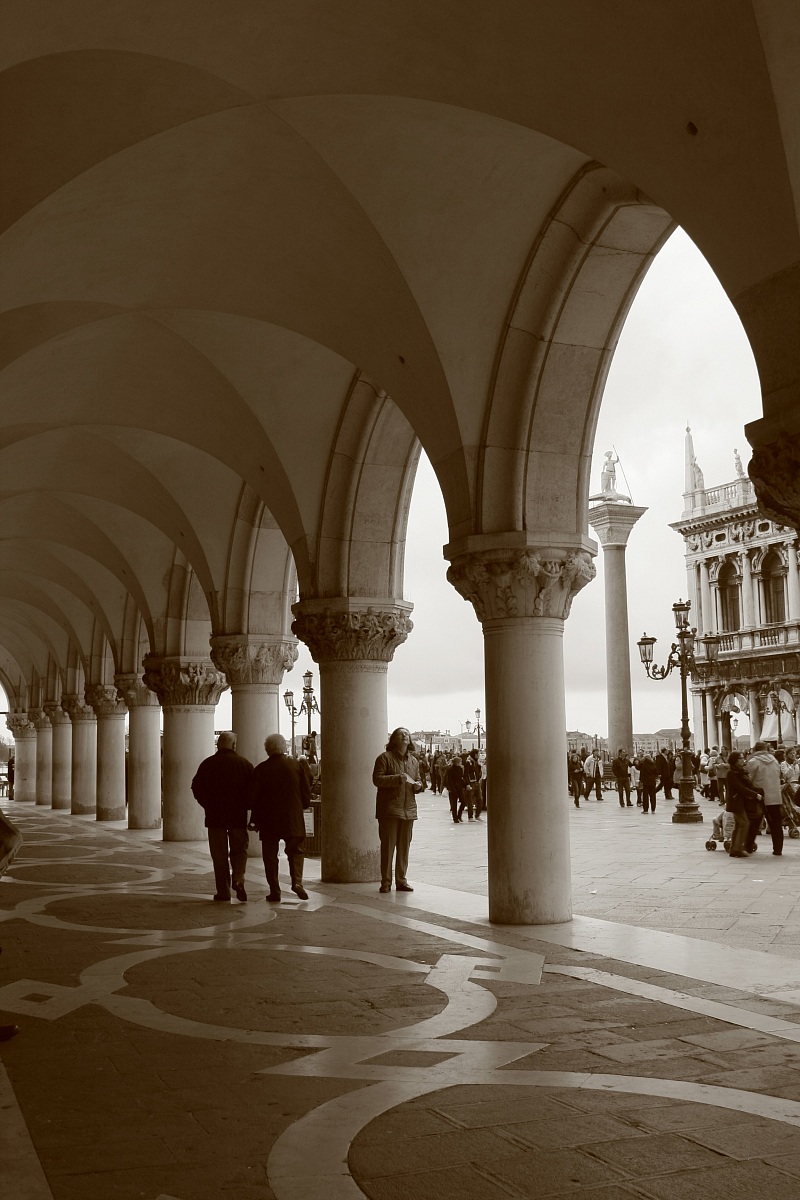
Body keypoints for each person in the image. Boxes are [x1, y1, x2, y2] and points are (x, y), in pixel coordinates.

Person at [191, 731, 254, 903]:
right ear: (234, 745)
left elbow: (196, 787)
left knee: (218, 855)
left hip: (215, 817)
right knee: (240, 850)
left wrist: (207, 804)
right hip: (237, 817)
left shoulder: (208, 764)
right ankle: (239, 878)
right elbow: (253, 791)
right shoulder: (244, 764)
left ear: (218, 745)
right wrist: (246, 806)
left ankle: (223, 891)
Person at [249, 733, 312, 901]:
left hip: (270, 820)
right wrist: (302, 806)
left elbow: (254, 798)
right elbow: (306, 791)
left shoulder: (261, 769)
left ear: (267, 750)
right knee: (296, 851)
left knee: (270, 856)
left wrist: (254, 820)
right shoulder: (296, 765)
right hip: (293, 817)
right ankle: (297, 882)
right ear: (284, 747)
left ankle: (275, 890)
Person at [373, 727, 423, 892]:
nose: (405, 735)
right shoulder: (384, 758)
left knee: (404, 847)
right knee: (388, 847)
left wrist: (419, 786)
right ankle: (386, 882)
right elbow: (377, 779)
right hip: (389, 809)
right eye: (401, 734)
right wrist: (397, 779)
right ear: (393, 739)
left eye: (407, 733)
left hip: (408, 810)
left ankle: (401, 880)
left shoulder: (414, 761)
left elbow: (419, 780)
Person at [746, 741, 784, 855]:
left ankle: (748, 846)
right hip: (775, 796)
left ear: (755, 750)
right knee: (776, 823)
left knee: (754, 822)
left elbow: (749, 779)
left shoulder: (753, 762)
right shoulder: (775, 761)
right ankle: (778, 849)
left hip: (760, 796)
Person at [726, 750, 764, 857]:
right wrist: (755, 795)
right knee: (744, 823)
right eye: (740, 758)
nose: (743, 760)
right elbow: (740, 788)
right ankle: (737, 849)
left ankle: (734, 848)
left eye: (743, 758)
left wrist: (760, 790)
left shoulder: (741, 771)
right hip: (735, 802)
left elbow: (748, 786)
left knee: (739, 824)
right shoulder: (731, 773)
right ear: (734, 760)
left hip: (741, 802)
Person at [463, 750, 482, 820]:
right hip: (471, 783)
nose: (479, 755)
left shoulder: (477, 762)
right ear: (475, 754)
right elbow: (465, 774)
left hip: (477, 782)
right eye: (478, 754)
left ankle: (477, 815)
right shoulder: (468, 762)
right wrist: (467, 784)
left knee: (480, 799)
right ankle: (470, 816)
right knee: (470, 800)